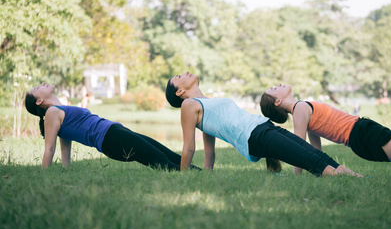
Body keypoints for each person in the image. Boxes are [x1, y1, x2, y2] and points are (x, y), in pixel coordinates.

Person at [165, 72, 362, 177]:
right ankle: (339, 177)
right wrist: (185, 177)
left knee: (314, 153)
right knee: (308, 159)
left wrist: (207, 174)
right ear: (179, 93)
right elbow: (190, 146)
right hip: (255, 136)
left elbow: (209, 151)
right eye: (180, 77)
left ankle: (354, 177)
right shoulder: (189, 105)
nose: (187, 73)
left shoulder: (205, 103)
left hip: (263, 127)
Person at [260, 83, 391, 177]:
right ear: (277, 101)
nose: (279, 84)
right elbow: (299, 149)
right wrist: (298, 176)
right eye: (274, 88)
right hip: (363, 134)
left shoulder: (303, 109)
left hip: (362, 136)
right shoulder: (300, 109)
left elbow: (315, 153)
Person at [25, 82, 189, 170]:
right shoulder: (52, 112)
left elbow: (65, 143)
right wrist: (45, 173)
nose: (43, 83)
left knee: (164, 152)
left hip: (115, 133)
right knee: (159, 160)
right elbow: (49, 148)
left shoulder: (59, 110)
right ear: (39, 101)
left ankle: (199, 172)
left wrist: (66, 169)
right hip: (111, 139)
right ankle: (187, 175)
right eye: (38, 88)